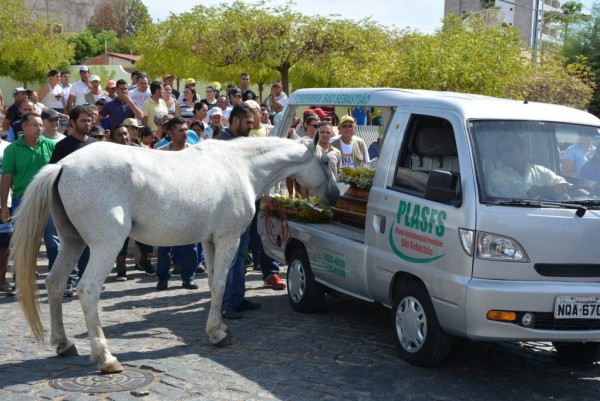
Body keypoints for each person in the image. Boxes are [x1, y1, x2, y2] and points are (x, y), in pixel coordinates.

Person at [1, 113, 57, 292]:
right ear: (23, 128)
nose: (40, 128)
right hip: (22, 199)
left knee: (53, 242)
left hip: (49, 198)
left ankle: (58, 281)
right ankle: (22, 283)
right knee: (25, 243)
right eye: (35, 125)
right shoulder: (12, 149)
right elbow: (7, 178)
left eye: (41, 125)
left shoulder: (52, 145)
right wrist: (4, 206)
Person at [219, 103, 262, 319]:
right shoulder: (221, 144)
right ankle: (226, 303)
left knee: (242, 255)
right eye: (248, 123)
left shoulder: (244, 143)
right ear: (235, 120)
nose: (251, 128)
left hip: (244, 209)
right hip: (227, 213)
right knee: (230, 258)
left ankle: (237, 297)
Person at [155, 116, 199, 291]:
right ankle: (162, 278)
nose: (185, 133)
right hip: (166, 204)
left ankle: (188, 277)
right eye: (180, 130)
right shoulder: (161, 153)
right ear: (170, 133)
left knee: (190, 244)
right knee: (164, 244)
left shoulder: (195, 153)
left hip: (190, 204)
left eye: (186, 129)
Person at [487, 134, 574, 199]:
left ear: (522, 148)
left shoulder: (540, 171)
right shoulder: (495, 176)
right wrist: (550, 189)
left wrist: (582, 190)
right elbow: (524, 191)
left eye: (509, 149)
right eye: (501, 152)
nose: (505, 155)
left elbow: (564, 185)